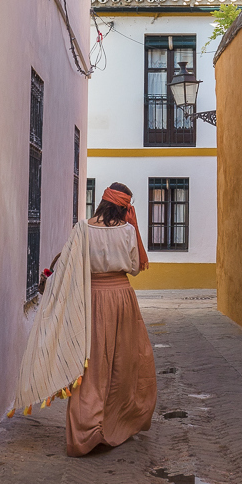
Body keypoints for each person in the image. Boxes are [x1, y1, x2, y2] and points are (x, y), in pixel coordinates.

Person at [66, 182, 157, 456]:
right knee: (124, 362)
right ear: (124, 207)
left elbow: (72, 265)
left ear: (103, 202)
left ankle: (87, 428)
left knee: (91, 364)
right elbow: (133, 268)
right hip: (121, 298)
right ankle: (117, 422)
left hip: (92, 297)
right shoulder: (128, 231)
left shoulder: (82, 228)